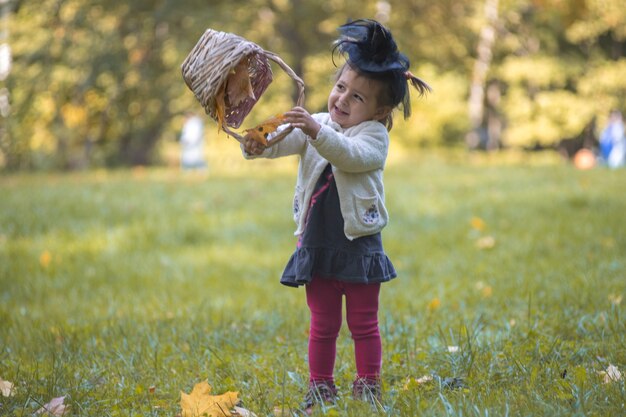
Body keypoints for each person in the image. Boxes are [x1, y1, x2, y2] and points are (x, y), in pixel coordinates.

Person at [242, 19, 430, 413]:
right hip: (318, 242)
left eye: (357, 97)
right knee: (322, 325)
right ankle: (321, 387)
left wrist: (315, 131)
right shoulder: (320, 123)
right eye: (340, 87)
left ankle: (368, 386)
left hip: (359, 245)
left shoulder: (374, 137)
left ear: (380, 111)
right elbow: (287, 139)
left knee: (363, 324)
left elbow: (349, 156)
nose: (342, 100)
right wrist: (259, 143)